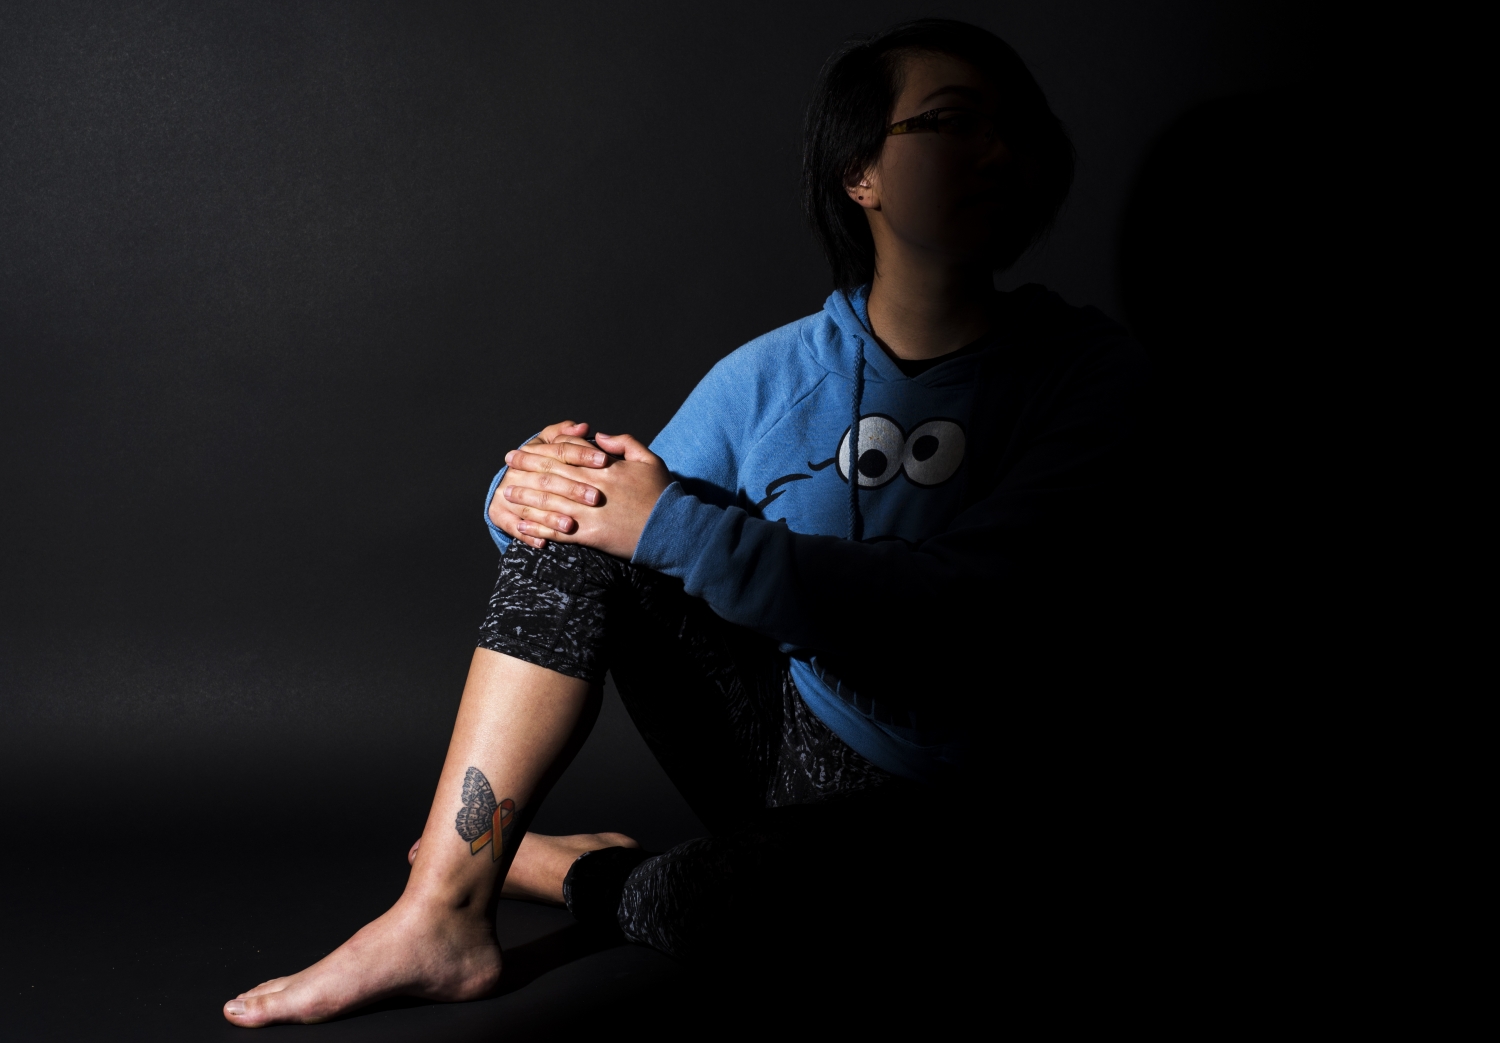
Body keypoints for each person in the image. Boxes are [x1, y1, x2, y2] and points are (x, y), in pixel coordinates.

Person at [223, 18, 1146, 1028]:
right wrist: (527, 486)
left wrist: (659, 520)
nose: (999, 152)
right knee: (586, 525)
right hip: (777, 747)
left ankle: (584, 871)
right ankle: (440, 911)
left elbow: (956, 608)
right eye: (956, 122)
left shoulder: (1090, 378)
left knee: (755, 918)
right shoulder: (773, 375)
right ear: (860, 175)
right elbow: (610, 532)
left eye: (1016, 130)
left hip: (970, 804)